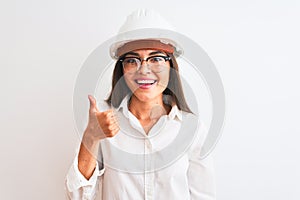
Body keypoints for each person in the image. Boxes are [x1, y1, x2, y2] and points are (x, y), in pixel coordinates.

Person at [65, 9, 216, 200]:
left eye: (156, 59)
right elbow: (77, 197)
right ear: (122, 68)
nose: (144, 69)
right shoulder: (102, 123)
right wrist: (91, 137)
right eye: (132, 60)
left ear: (171, 65)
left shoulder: (192, 129)